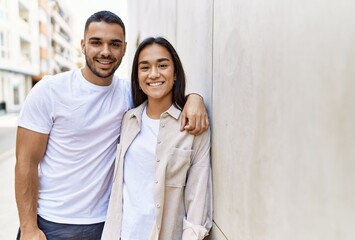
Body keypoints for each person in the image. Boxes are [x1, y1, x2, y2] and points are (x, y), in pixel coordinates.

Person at [15, 11, 209, 240]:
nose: (105, 51)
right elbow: (26, 162)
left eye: (114, 44)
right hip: (52, 222)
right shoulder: (50, 91)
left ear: (124, 49)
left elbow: (161, 86)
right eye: (96, 42)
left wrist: (195, 97)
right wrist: (28, 227)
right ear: (83, 45)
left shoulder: (128, 96)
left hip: (105, 224)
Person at [101, 37, 213, 240]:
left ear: (175, 73)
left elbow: (198, 198)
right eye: (145, 67)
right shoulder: (129, 119)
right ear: (137, 78)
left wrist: (195, 96)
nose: (154, 74)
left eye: (162, 65)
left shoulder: (193, 126)